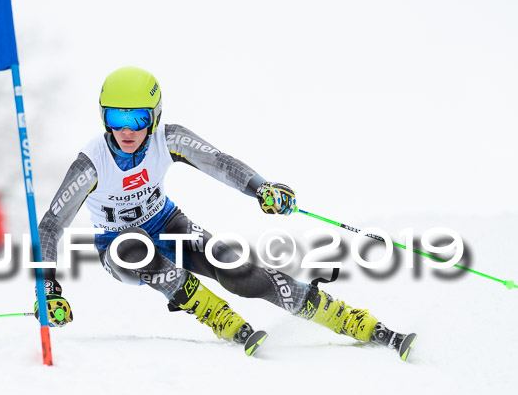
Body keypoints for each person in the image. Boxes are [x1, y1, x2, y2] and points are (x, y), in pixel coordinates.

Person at [36, 67, 416, 359]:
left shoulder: (169, 138)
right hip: (116, 245)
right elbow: (53, 223)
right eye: (116, 119)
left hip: (167, 223)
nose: (127, 131)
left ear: (154, 116)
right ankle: (219, 317)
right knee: (138, 254)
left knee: (239, 272)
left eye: (137, 119)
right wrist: (48, 287)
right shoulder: (92, 163)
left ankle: (350, 319)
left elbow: (218, 162)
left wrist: (262, 189)